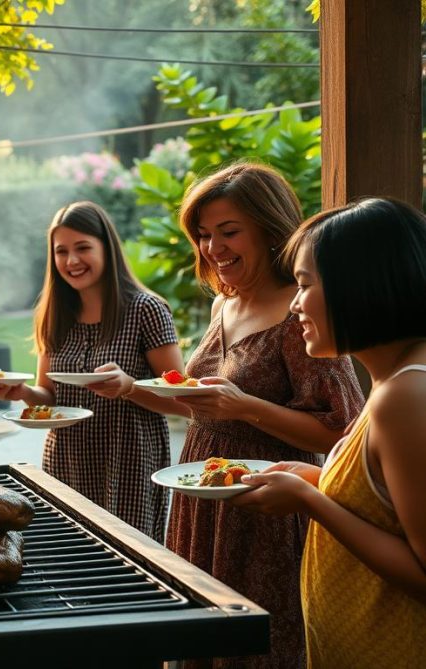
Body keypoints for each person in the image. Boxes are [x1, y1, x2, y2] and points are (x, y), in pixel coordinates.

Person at [93, 162, 364, 669]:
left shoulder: (301, 313)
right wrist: (129, 387)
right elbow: (197, 404)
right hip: (203, 499)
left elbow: (341, 431)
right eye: (203, 235)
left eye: (228, 232)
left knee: (256, 648)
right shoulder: (224, 303)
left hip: (268, 509)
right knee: (202, 639)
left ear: (269, 228)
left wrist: (247, 408)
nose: (213, 248)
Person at [232, 198, 426, 667]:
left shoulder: (407, 395)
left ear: (357, 284)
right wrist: (318, 481)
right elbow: (388, 508)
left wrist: (309, 501)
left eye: (304, 285)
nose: (295, 304)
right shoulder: (393, 381)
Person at [0, 201, 184, 540]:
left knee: (129, 560)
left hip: (129, 460)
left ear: (106, 248)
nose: (71, 261)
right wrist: (22, 394)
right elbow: (48, 394)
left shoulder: (147, 310)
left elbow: (182, 402)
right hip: (67, 457)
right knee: (73, 552)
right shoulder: (53, 314)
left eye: (82, 248)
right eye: (61, 251)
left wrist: (129, 387)